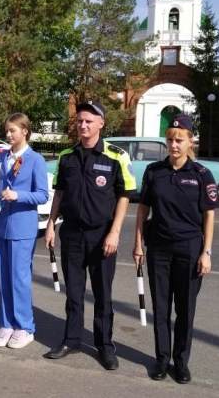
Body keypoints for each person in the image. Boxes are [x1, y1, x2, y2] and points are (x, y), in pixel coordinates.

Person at [44, 100, 136, 370]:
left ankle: (104, 346)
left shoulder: (116, 156)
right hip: (72, 233)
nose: (83, 125)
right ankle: (71, 339)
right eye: (80, 121)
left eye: (89, 121)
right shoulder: (66, 156)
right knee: (73, 292)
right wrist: (51, 224)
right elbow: (59, 193)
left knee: (102, 294)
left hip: (102, 235)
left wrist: (115, 232)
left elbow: (124, 196)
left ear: (101, 123)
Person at [132, 114, 219, 384]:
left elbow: (209, 216)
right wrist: (137, 244)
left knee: (185, 309)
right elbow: (143, 210)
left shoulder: (202, 175)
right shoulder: (154, 172)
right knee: (161, 308)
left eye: (179, 140)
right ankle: (161, 359)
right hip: (158, 248)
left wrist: (207, 252)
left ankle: (181, 362)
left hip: (189, 249)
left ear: (191, 141)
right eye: (170, 139)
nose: (174, 145)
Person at [0, 113, 49, 349]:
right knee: (4, 278)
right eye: (6, 130)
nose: (8, 135)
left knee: (19, 279)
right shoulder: (4, 157)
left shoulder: (35, 159)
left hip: (23, 227)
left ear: (24, 131)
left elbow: (43, 194)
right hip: (2, 225)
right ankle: (7, 322)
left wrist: (18, 195)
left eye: (12, 131)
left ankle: (25, 327)